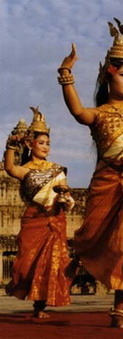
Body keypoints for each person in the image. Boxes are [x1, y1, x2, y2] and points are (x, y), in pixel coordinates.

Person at [57, 18, 123, 328]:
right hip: (106, 182)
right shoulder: (99, 114)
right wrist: (66, 74)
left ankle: (119, 310)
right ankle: (80, 257)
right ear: (110, 75)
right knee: (93, 237)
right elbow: (78, 112)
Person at [4, 107, 75, 318]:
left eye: (48, 143)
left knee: (51, 264)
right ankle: (32, 298)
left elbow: (66, 191)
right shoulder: (25, 170)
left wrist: (67, 201)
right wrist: (10, 145)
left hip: (54, 219)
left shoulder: (57, 170)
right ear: (30, 144)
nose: (46, 147)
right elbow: (9, 168)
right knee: (28, 264)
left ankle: (40, 306)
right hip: (33, 221)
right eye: (41, 143)